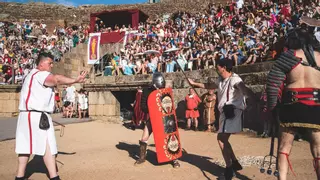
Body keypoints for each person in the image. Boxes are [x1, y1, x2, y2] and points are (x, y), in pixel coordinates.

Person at [15, 52, 87, 180]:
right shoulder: (39, 74)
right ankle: (50, 177)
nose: (52, 66)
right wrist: (75, 80)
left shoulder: (32, 75)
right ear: (41, 64)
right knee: (43, 145)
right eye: (49, 63)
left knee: (34, 146)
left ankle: (24, 176)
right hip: (35, 116)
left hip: (32, 115)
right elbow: (56, 79)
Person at [266, 23, 320, 180]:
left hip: (291, 107)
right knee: (318, 151)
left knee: (284, 148)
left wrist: (272, 108)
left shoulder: (288, 57)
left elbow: (273, 85)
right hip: (316, 107)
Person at [188, 58, 256, 180]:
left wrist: (254, 102)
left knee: (221, 139)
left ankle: (229, 170)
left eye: (218, 66)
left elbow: (244, 89)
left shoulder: (235, 79)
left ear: (223, 67)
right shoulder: (221, 80)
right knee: (224, 139)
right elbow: (208, 85)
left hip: (232, 111)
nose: (216, 68)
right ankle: (234, 162)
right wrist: (194, 84)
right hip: (225, 112)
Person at [134, 72, 180, 168]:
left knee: (170, 136)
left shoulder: (165, 90)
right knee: (144, 138)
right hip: (153, 117)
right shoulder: (147, 91)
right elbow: (143, 106)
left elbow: (169, 103)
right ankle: (142, 157)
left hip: (165, 118)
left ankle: (174, 158)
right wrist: (152, 109)